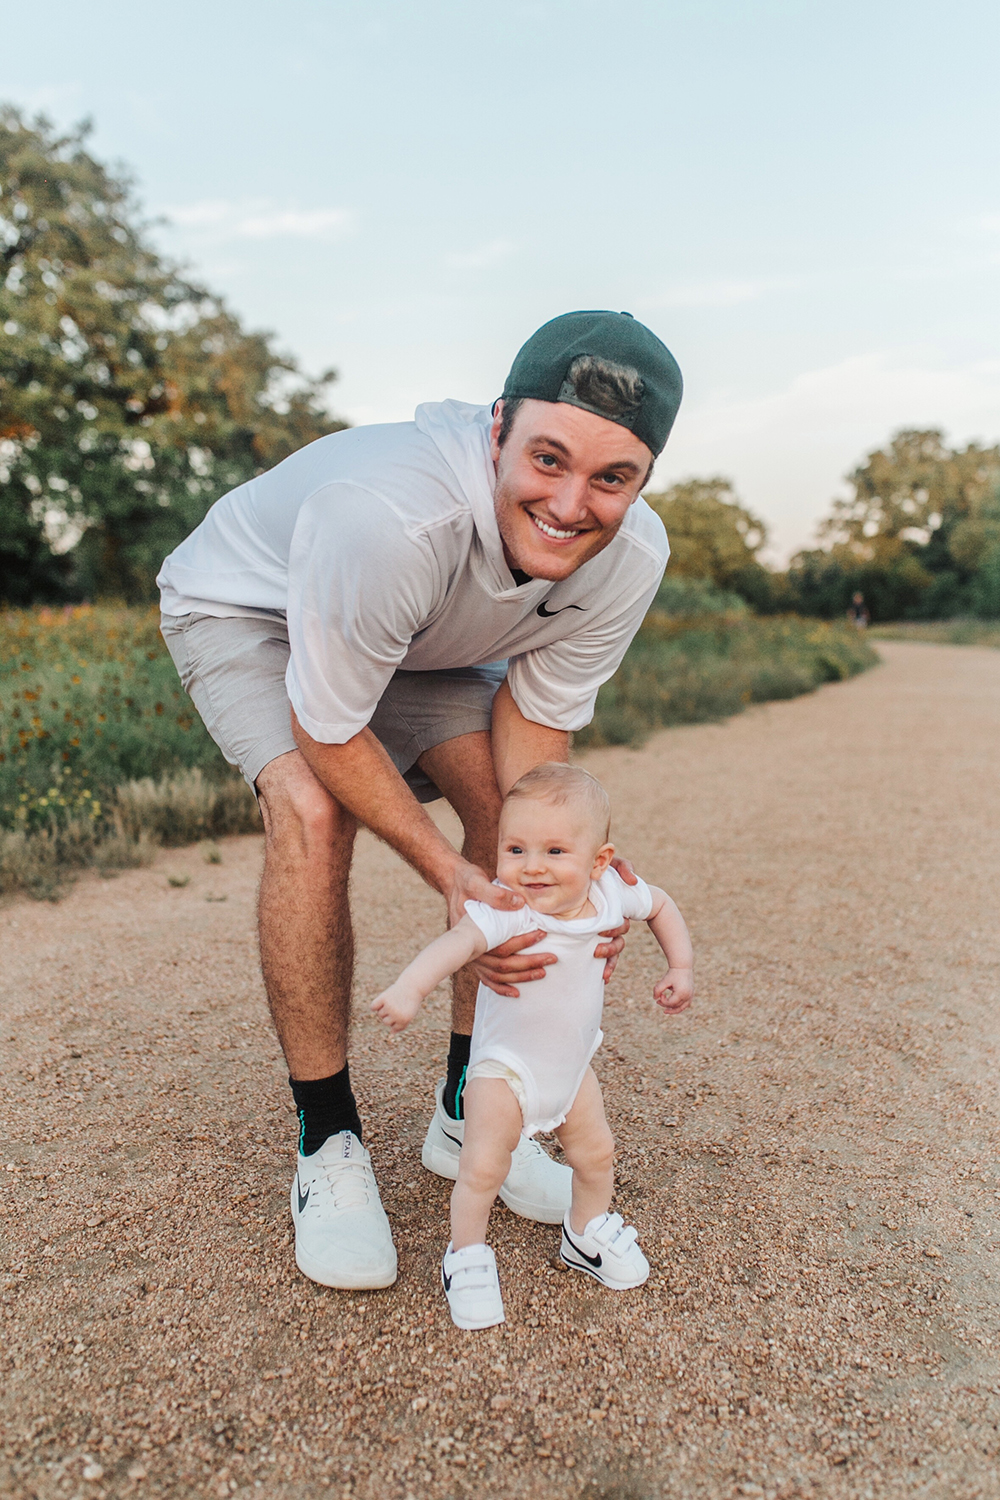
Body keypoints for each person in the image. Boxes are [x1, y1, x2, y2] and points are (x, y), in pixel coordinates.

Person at [156, 310, 683, 1291]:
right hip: (253, 609)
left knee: (508, 815)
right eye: (547, 459)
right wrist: (448, 872)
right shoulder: (387, 514)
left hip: (422, 635)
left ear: (643, 479)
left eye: (611, 478)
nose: (572, 504)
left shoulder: (631, 557)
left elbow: (533, 735)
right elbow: (326, 724)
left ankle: (463, 1106)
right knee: (314, 812)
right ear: (496, 430)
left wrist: (552, 866)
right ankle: (327, 1143)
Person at [371, 763, 694, 1329]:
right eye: (515, 849)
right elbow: (455, 944)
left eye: (554, 851)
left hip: (571, 1069)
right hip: (505, 1072)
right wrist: (409, 987)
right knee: (483, 1168)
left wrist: (681, 964)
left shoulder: (614, 892)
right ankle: (465, 1255)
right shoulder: (507, 910)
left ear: (598, 860)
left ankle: (585, 1233)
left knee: (596, 1156)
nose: (532, 867)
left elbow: (661, 905)